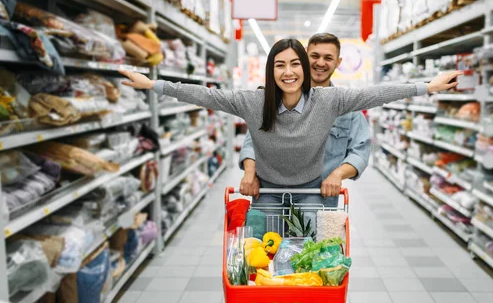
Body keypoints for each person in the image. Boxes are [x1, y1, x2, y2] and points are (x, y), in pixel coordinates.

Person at [119, 38, 461, 198]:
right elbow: (205, 95)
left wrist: (427, 87)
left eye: (295, 64)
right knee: (263, 270)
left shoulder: (329, 100)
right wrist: (154, 84)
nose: (288, 71)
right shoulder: (254, 102)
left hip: (316, 196)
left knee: (312, 269)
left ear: (305, 69)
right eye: (280, 65)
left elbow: (376, 93)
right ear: (271, 71)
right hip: (266, 195)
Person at [238, 33, 370, 207]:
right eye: (314, 56)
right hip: (271, 194)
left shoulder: (347, 109)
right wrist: (250, 171)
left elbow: (360, 151)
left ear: (338, 63)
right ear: (304, 59)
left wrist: (338, 174)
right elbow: (252, 142)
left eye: (328, 58)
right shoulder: (273, 101)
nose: (320, 63)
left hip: (318, 201)